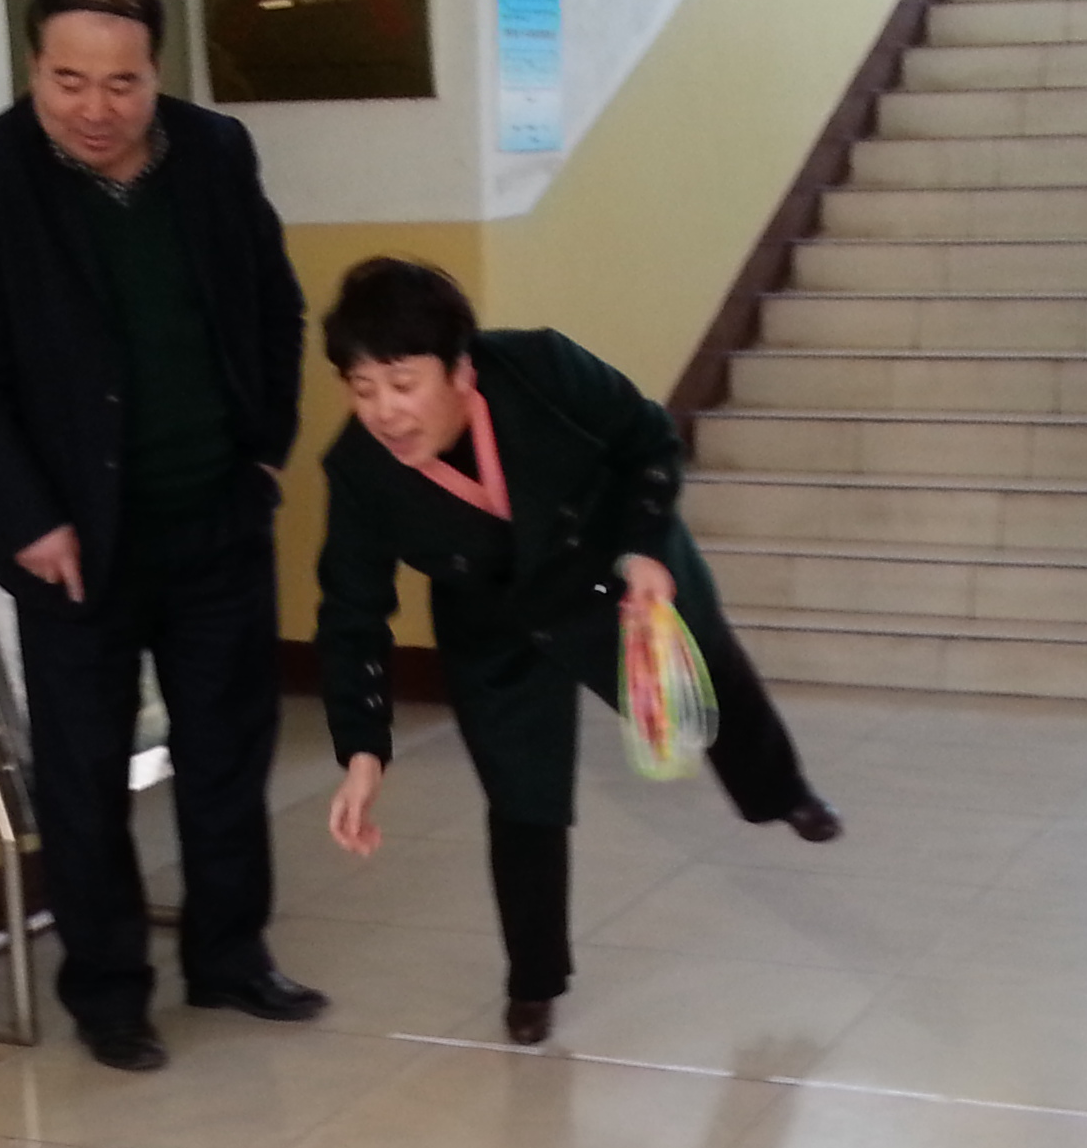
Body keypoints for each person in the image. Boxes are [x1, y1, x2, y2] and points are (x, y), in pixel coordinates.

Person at [0, 0, 320, 1072]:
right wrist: (29, 514)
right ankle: (107, 992)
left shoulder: (216, 151)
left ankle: (230, 956)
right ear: (33, 67)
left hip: (215, 512)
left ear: (157, 74)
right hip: (73, 541)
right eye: (69, 81)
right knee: (85, 772)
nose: (96, 108)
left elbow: (274, 303)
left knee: (228, 748)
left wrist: (265, 445)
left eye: (123, 83)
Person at [310, 258, 840, 1043]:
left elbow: (648, 439)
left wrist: (645, 547)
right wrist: (362, 750)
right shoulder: (358, 471)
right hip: (495, 618)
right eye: (362, 389)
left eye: (401, 383)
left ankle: (780, 793)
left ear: (459, 369)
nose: (384, 412)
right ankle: (534, 981)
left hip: (612, 562)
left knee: (709, 680)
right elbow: (352, 612)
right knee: (521, 797)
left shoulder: (542, 369)